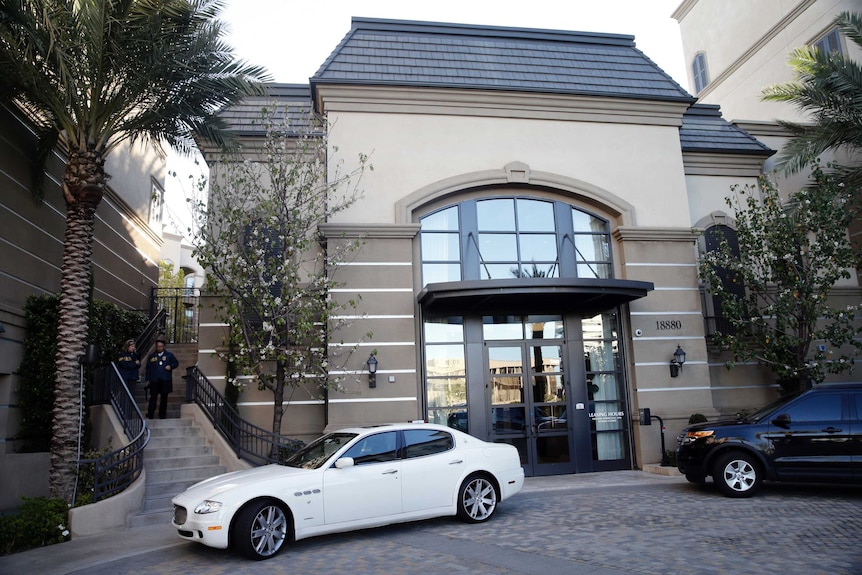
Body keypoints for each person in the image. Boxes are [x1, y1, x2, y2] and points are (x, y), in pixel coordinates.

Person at [145, 338, 179, 419]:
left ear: (164, 346)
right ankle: (150, 413)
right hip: (154, 380)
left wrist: (170, 366)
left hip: (165, 379)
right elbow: (148, 368)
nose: (159, 348)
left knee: (164, 398)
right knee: (153, 397)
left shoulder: (169, 355)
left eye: (161, 346)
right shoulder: (152, 356)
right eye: (158, 346)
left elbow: (176, 363)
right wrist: (148, 379)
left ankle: (162, 414)